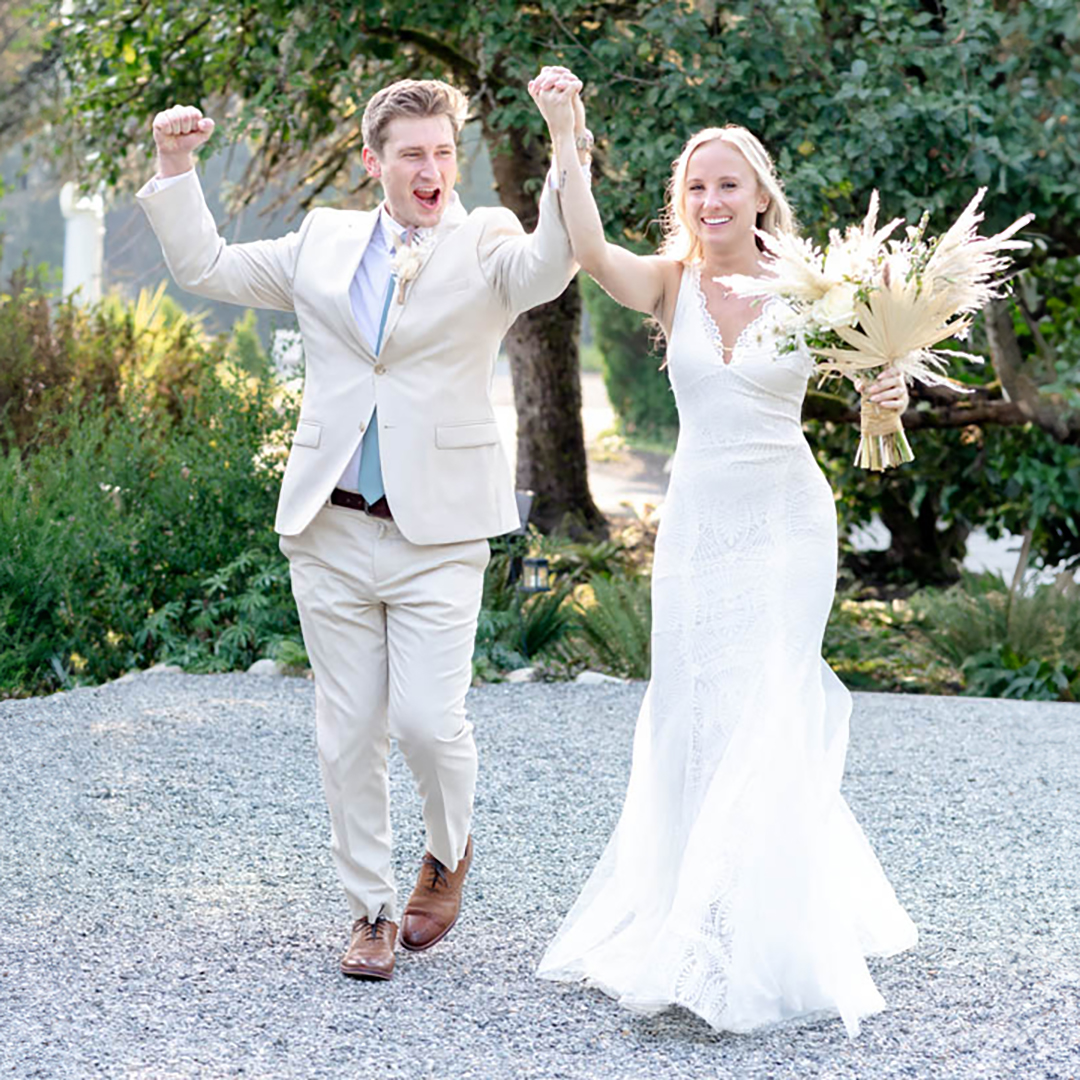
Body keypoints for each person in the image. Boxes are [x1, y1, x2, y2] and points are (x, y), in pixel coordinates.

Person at [137, 70, 588, 982]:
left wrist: (566, 138)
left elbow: (553, 263)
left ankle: (448, 849)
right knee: (347, 734)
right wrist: (176, 166)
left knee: (428, 722)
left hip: (439, 535)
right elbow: (207, 267)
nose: (432, 170)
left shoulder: (488, 238)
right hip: (330, 528)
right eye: (413, 154)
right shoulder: (325, 240)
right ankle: (372, 910)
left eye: (443, 153)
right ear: (375, 161)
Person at [530, 85, 918, 1036]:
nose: (711, 200)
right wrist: (564, 139)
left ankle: (747, 922)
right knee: (699, 710)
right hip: (701, 527)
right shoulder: (668, 283)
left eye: (728, 184)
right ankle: (693, 908)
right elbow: (586, 252)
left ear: (757, 196)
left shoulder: (812, 286)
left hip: (789, 522)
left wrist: (888, 391)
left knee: (771, 702)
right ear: (684, 200)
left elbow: (875, 387)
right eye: (696, 186)